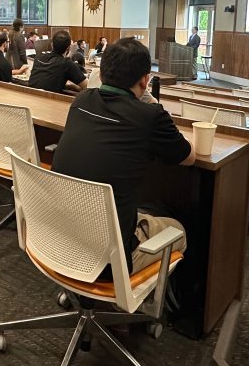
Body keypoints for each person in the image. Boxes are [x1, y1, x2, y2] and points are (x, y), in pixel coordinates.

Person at [52, 38, 195, 284]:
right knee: (178, 229)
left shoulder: (81, 101)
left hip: (60, 238)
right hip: (109, 260)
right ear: (145, 80)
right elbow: (188, 157)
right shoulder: (150, 116)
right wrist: (151, 102)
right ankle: (139, 311)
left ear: (102, 73)